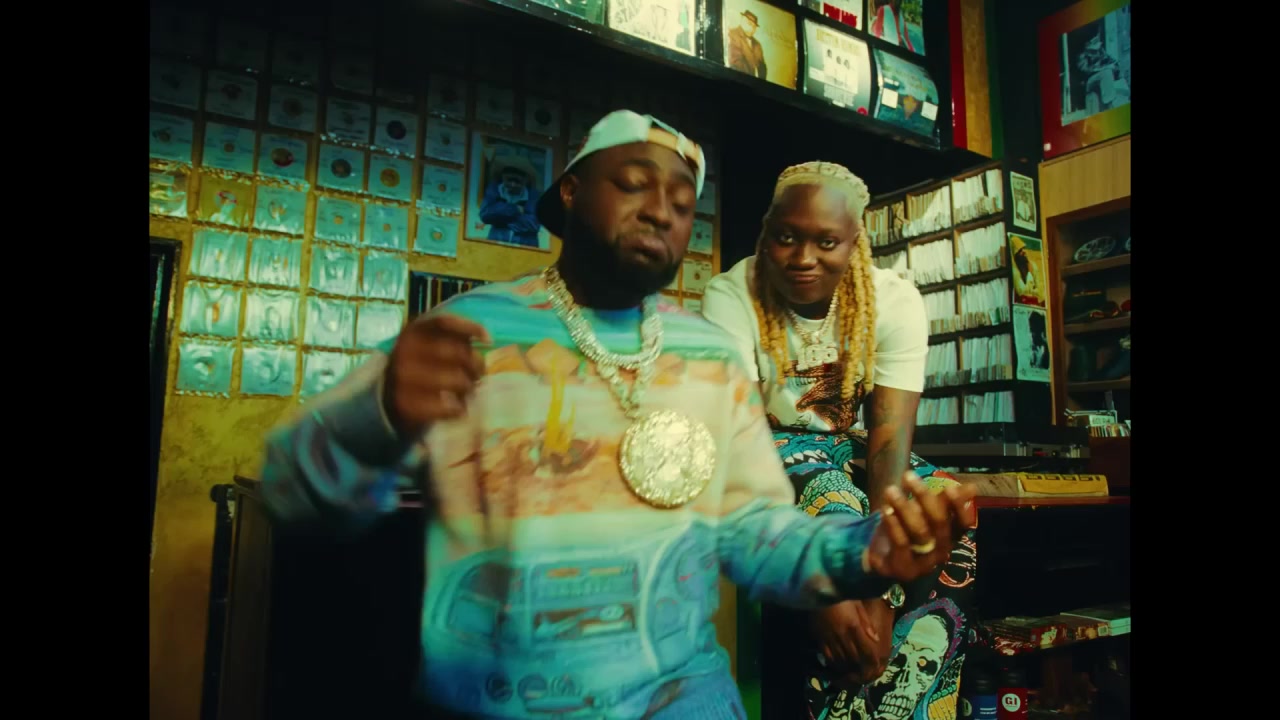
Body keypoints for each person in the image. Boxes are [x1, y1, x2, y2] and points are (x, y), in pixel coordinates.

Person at [260, 112, 975, 719]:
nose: (662, 209)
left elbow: (758, 536)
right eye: (634, 184)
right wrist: (375, 417)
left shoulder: (708, 357)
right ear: (572, 191)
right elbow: (288, 495)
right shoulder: (470, 333)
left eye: (683, 202)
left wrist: (865, 555)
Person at [701, 161, 978, 720]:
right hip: (764, 450)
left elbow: (888, 447)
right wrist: (822, 587)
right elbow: (741, 442)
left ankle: (909, 702)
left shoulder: (892, 300)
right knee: (831, 496)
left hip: (850, 447)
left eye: (826, 242)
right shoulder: (731, 295)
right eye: (786, 237)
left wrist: (877, 587)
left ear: (856, 243)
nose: (803, 257)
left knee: (943, 512)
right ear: (766, 231)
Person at [478, 155, 543, 247]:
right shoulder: (494, 190)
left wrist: (500, 219)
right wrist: (516, 209)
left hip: (525, 250)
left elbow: (534, 225)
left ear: (525, 180)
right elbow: (485, 214)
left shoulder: (534, 196)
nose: (513, 184)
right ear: (503, 177)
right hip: (496, 248)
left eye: (517, 181)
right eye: (509, 180)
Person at [726, 10, 767, 80]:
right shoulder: (732, 34)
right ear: (742, 21)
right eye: (750, 24)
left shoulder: (757, 44)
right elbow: (735, 63)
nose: (752, 29)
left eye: (754, 26)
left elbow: (762, 67)